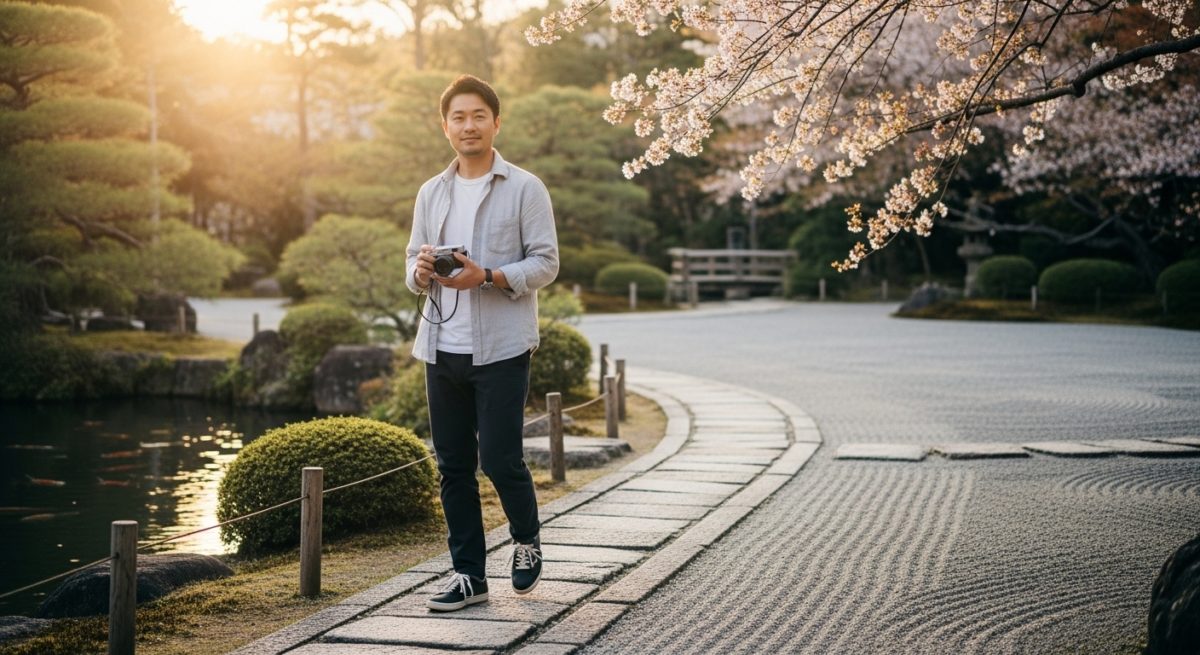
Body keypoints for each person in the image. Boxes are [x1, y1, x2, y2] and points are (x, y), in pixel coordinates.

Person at [405, 74, 559, 612]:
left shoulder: (524, 187)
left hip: (501, 347)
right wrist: (422, 270)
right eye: (457, 117)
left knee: (499, 458)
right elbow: (410, 264)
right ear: (444, 126)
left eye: (478, 116)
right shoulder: (432, 191)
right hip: (441, 345)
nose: (467, 126)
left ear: (496, 122)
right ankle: (469, 575)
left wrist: (488, 276)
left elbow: (546, 263)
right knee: (452, 466)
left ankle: (526, 539)